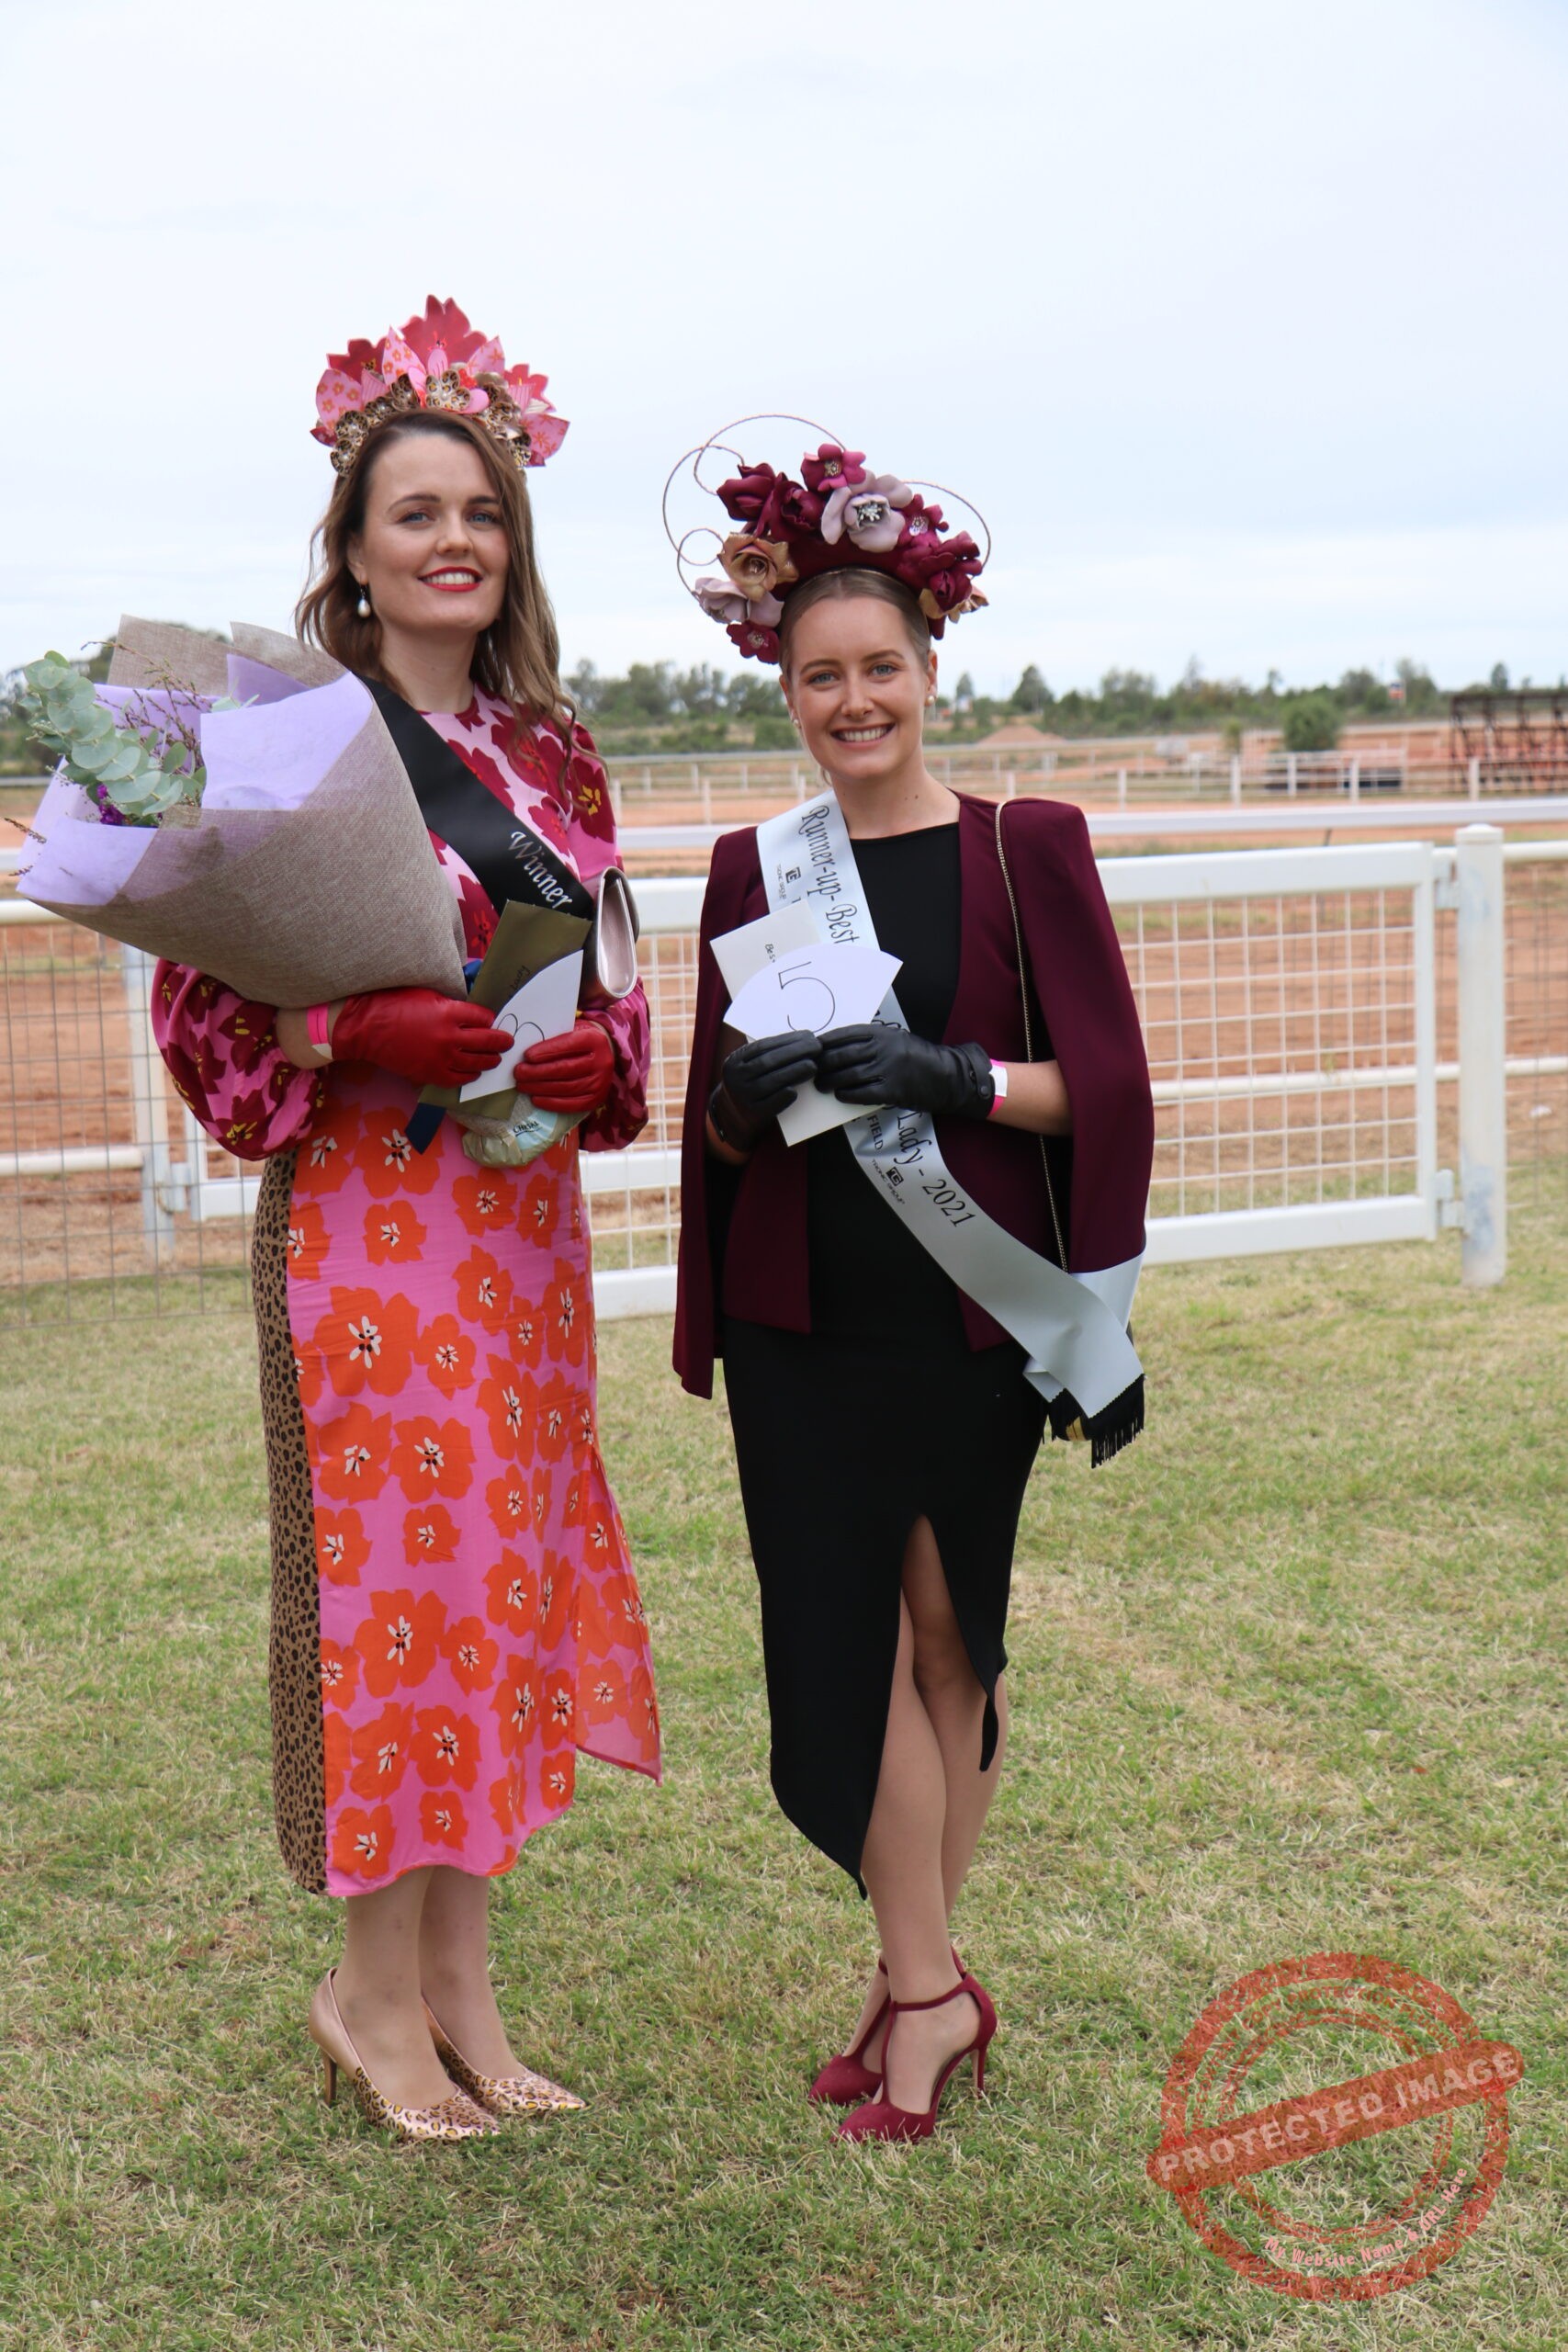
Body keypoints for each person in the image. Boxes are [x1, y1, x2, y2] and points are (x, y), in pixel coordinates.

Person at [152, 300, 660, 2142]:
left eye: (482, 512)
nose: (455, 539)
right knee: (401, 1593)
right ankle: (366, 1993)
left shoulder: (556, 754)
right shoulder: (297, 742)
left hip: (519, 1229)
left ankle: (463, 1990)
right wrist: (344, 1027)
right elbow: (204, 1009)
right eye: (416, 513)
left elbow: (618, 966)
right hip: (368, 1232)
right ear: (353, 553)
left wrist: (605, 1058)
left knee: (499, 1581)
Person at [671, 429, 1154, 2143]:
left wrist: (954, 1076)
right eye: (822, 677)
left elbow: (1105, 1090)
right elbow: (717, 1125)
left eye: (880, 668)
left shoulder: (1028, 847)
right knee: (840, 1642)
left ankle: (916, 1982)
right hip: (801, 1315)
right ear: (786, 691)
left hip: (967, 1315)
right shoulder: (753, 869)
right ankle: (932, 1989)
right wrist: (738, 1109)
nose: (854, 700)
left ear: (931, 670)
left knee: (953, 1638)